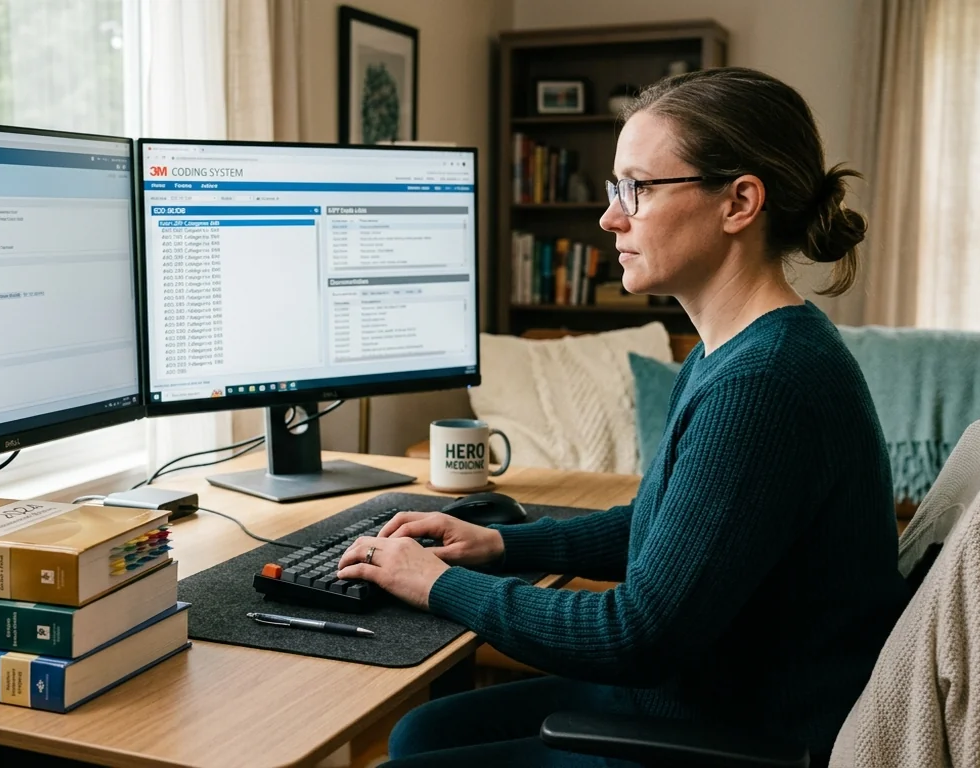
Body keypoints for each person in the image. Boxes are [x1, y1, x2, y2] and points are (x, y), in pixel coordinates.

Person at [336, 67, 908, 767]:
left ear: (739, 203)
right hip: (695, 694)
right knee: (419, 734)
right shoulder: (733, 349)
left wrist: (436, 584)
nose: (611, 217)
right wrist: (502, 545)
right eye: (616, 190)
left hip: (732, 734)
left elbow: (634, 635)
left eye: (636, 187)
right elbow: (661, 525)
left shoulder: (767, 383)